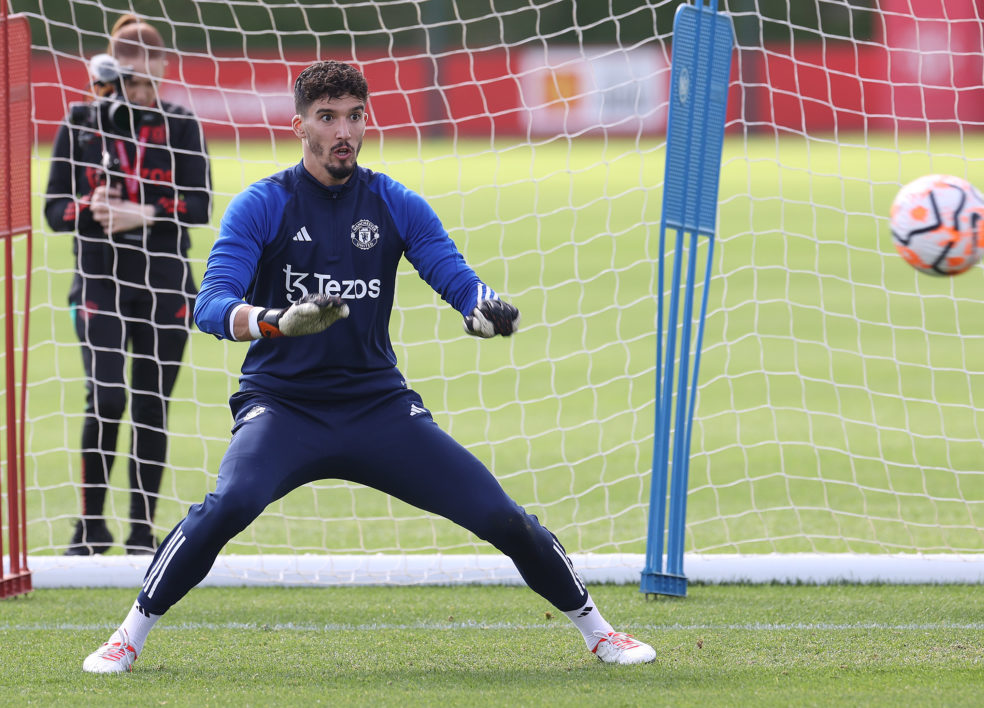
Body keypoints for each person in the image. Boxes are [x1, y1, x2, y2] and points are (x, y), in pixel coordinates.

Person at [81, 60, 655, 673]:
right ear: (299, 124)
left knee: (499, 514)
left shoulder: (392, 201)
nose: (343, 131)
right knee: (228, 505)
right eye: (327, 117)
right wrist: (276, 319)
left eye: (354, 116)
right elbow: (210, 303)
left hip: (378, 407)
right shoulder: (263, 204)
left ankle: (600, 633)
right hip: (282, 406)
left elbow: (451, 271)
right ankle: (128, 635)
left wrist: (481, 305)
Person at [44, 15, 212, 556]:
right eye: (131, 79)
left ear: (161, 72)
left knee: (152, 404)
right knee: (108, 394)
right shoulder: (81, 121)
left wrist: (143, 211)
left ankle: (142, 531)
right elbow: (53, 209)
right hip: (98, 279)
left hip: (166, 282)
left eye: (150, 77)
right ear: (112, 75)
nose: (142, 88)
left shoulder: (182, 124)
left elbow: (200, 205)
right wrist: (90, 210)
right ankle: (89, 527)